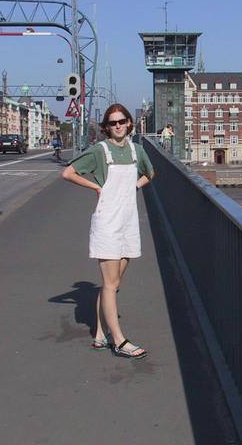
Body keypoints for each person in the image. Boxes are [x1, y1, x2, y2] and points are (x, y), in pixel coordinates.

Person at [61, 103, 155, 359]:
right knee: (111, 284)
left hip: (128, 221)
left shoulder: (137, 151)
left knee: (113, 284)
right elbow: (68, 173)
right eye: (112, 123)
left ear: (129, 123)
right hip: (107, 224)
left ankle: (101, 334)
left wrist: (135, 186)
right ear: (106, 127)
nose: (118, 126)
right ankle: (120, 341)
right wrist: (96, 187)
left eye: (122, 121)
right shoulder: (100, 151)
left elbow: (150, 173)